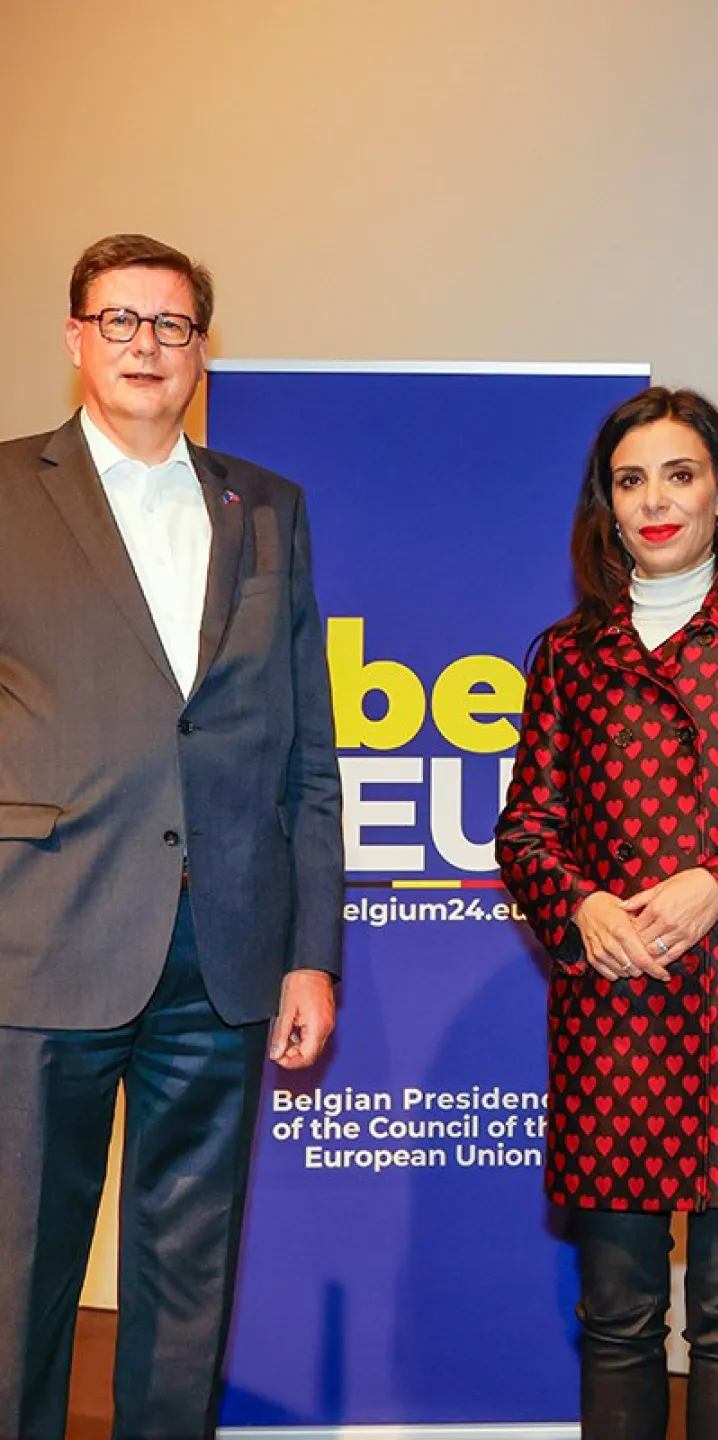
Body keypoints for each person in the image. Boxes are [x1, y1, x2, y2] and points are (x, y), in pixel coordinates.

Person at [0, 233, 343, 1439]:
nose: (148, 346)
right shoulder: (2, 488)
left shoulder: (269, 510)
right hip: (40, 940)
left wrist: (311, 951)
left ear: (204, 345)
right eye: (121, 321)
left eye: (173, 325)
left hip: (227, 951)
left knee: (189, 1284)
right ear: (76, 336)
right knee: (16, 1283)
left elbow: (308, 753)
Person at [495, 385, 718, 1440]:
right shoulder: (567, 654)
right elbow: (525, 832)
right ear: (606, 504)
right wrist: (581, 902)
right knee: (618, 1318)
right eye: (631, 480)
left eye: (679, 475)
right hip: (614, 1016)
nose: (656, 501)